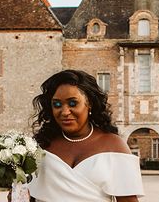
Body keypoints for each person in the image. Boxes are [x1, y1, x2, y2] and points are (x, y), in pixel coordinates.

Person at [24, 69, 144, 201]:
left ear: (89, 104)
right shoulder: (41, 146)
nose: (64, 112)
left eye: (72, 103)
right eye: (57, 104)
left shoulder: (114, 146)